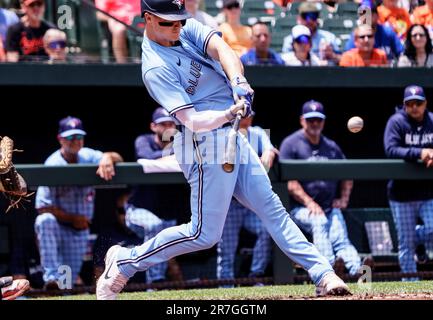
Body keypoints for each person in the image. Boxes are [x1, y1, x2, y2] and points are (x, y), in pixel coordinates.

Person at [96, 0, 350, 300]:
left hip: (231, 133)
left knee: (272, 209)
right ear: (148, 19)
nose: (177, 26)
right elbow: (191, 120)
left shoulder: (183, 28)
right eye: (168, 22)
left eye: (179, 19)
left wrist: (238, 80)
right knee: (203, 234)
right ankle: (126, 261)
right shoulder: (154, 67)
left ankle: (323, 273)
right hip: (203, 143)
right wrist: (229, 114)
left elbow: (222, 49)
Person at [35, 116, 123, 289]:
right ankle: (51, 278)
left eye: (79, 137)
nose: (75, 141)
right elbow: (42, 207)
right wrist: (72, 218)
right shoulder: (52, 163)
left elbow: (118, 157)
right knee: (44, 221)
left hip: (79, 230)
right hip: (57, 228)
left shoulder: (88, 155)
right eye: (70, 137)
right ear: (60, 139)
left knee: (67, 279)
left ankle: (61, 290)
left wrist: (107, 157)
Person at [279, 100, 363, 278]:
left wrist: (344, 199)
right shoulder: (291, 143)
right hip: (298, 209)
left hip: (329, 207)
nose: (315, 124)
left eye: (318, 120)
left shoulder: (331, 146)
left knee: (340, 238)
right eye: (311, 120)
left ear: (323, 121)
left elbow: (348, 174)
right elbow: (290, 182)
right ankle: (330, 269)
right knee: (319, 222)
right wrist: (309, 202)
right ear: (302, 120)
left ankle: (358, 271)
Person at [125, 107, 188, 285]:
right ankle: (155, 281)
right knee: (155, 226)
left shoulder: (181, 142)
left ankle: (153, 279)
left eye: (171, 124)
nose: (168, 127)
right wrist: (176, 157)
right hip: (138, 210)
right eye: (163, 124)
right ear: (153, 126)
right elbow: (147, 156)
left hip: (167, 213)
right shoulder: (143, 140)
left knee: (167, 243)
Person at [217, 112, 276, 285]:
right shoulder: (224, 132)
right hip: (230, 204)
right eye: (242, 116)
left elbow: (269, 150)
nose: (245, 119)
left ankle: (255, 275)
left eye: (248, 116)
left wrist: (268, 154)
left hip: (250, 204)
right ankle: (225, 284)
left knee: (266, 229)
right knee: (226, 246)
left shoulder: (258, 132)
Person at [384, 85, 433, 280]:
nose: (414, 107)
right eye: (410, 104)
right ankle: (410, 281)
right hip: (401, 194)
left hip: (428, 192)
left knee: (431, 229)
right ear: (404, 105)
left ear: (425, 103)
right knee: (405, 243)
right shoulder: (397, 122)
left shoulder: (432, 120)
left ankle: (418, 240)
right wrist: (420, 153)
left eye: (418, 103)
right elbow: (391, 149)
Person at [282, 1, 342, 66]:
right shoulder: (291, 39)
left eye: (313, 16)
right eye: (306, 16)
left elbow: (342, 60)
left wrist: (332, 55)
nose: (309, 20)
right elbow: (286, 62)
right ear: (299, 18)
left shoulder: (328, 37)